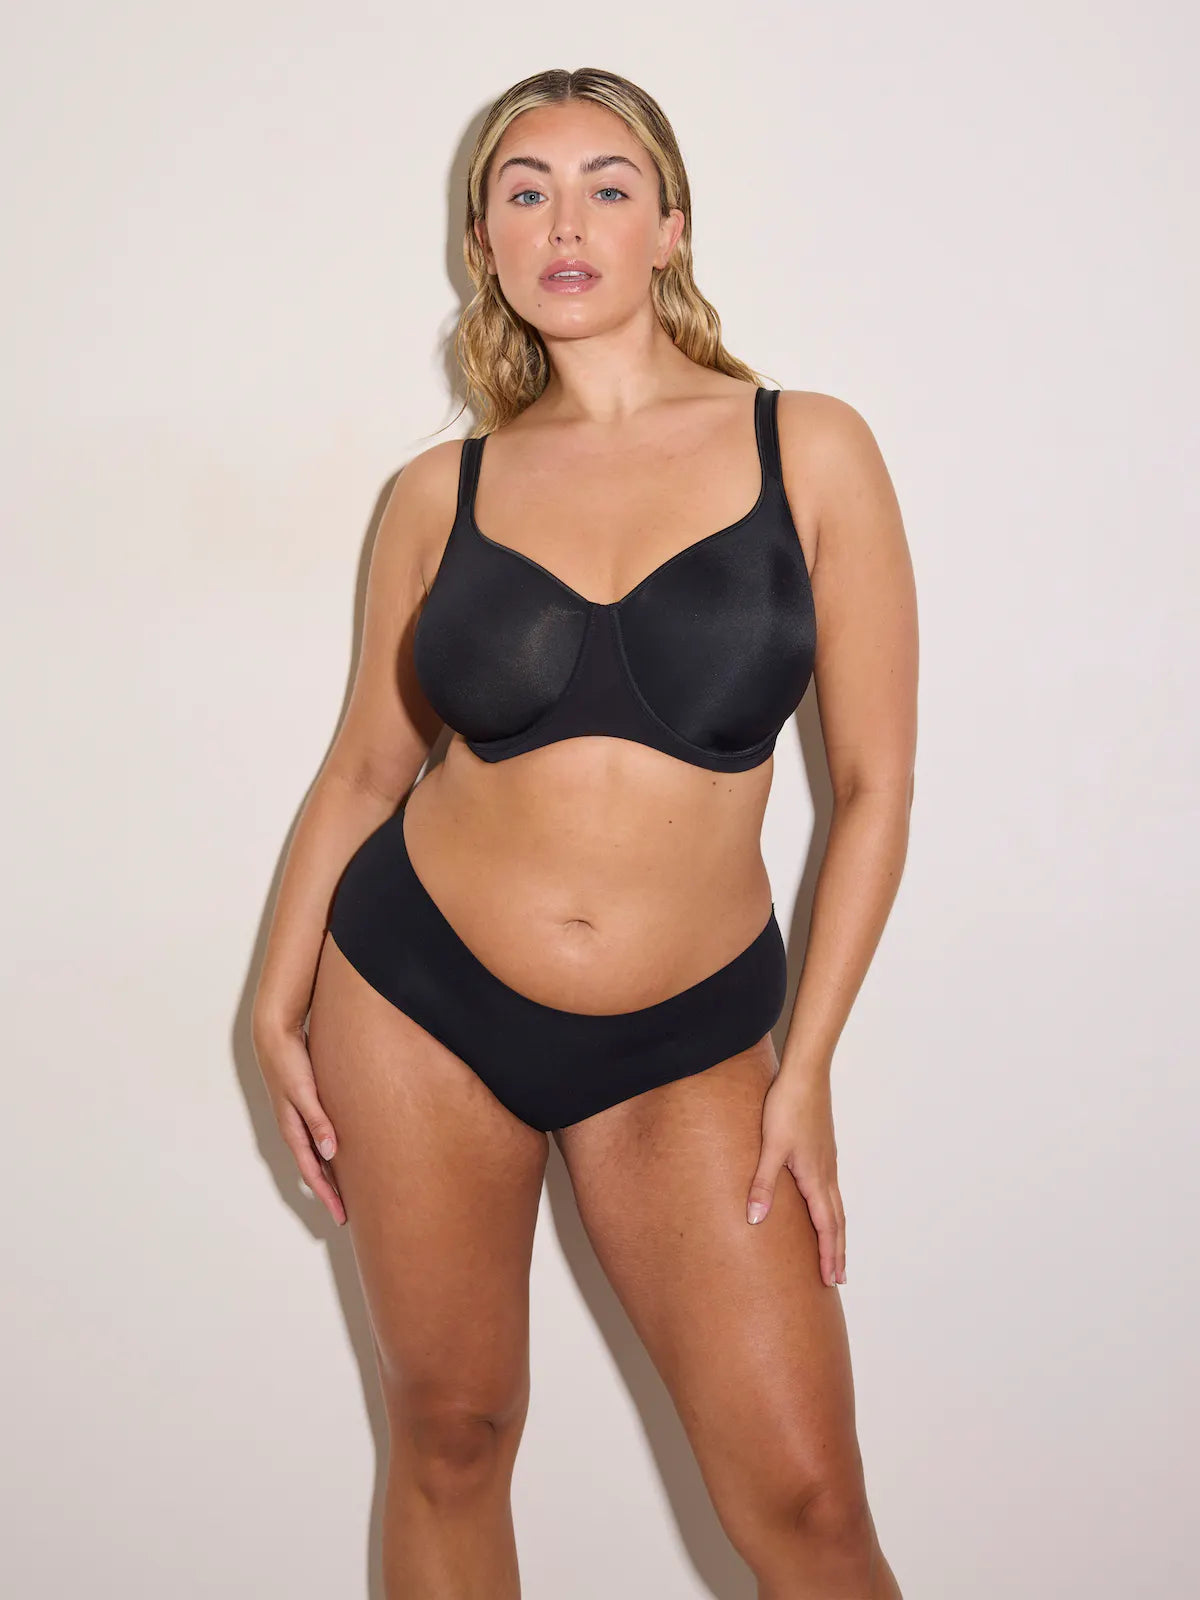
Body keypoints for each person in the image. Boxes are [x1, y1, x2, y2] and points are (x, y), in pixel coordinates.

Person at [252, 65, 916, 1600]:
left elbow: (876, 784)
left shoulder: (808, 448)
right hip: (418, 999)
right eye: (525, 192)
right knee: (452, 1435)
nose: (567, 222)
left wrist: (808, 1066)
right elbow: (366, 769)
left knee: (808, 1507)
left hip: (688, 1038)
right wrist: (273, 1003)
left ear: (670, 228)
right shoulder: (439, 493)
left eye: (609, 187)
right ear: (482, 243)